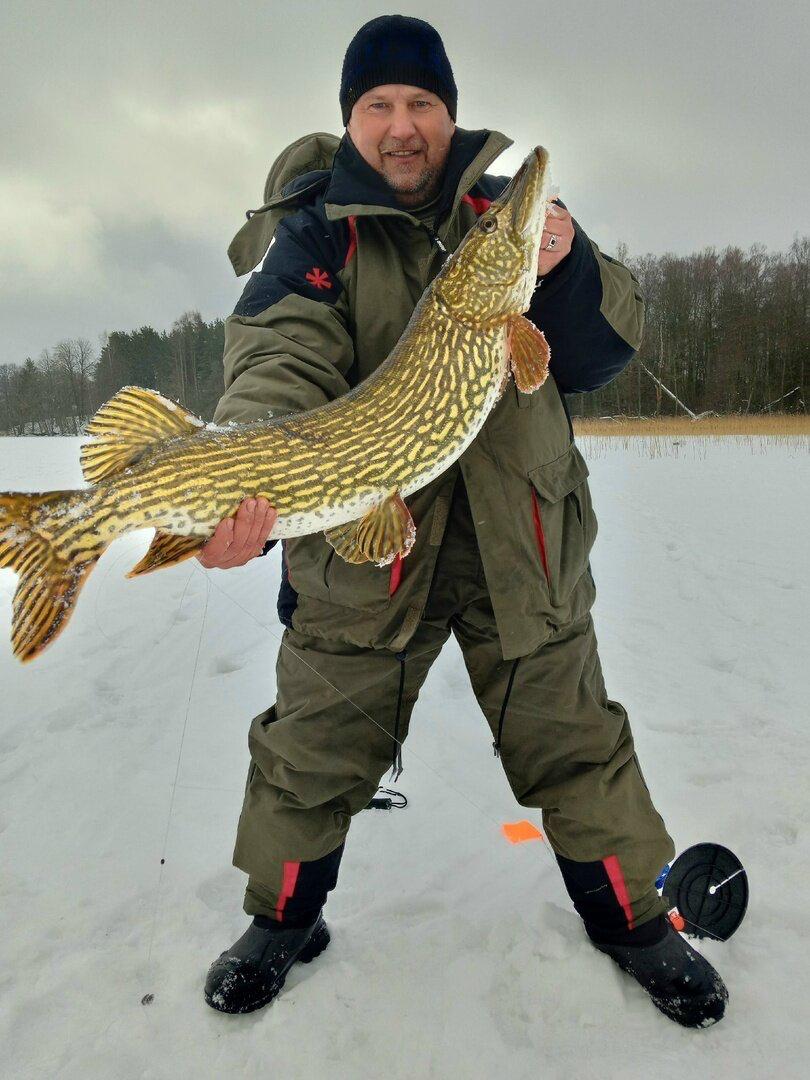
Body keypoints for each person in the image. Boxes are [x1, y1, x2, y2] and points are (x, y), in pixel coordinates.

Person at [199, 15, 728, 1027]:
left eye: (422, 105)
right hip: (364, 553)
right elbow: (277, 365)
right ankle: (283, 917)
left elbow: (605, 345)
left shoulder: (502, 219)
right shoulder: (313, 235)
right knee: (310, 749)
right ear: (351, 120)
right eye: (379, 106)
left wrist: (565, 261)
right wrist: (249, 490)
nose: (403, 126)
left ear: (448, 112)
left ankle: (632, 920)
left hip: (517, 547)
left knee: (578, 743)